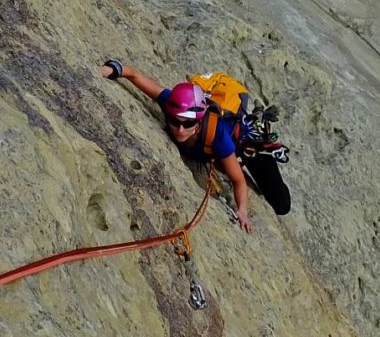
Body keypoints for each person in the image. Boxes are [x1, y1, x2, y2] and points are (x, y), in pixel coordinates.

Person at [100, 60, 293, 233]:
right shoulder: (172, 103)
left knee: (282, 204)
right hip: (219, 143)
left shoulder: (217, 135)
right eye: (174, 121)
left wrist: (242, 210)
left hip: (245, 143)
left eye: (188, 124)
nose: (180, 130)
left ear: (199, 122)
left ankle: (257, 125)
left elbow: (239, 181)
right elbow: (134, 75)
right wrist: (111, 69)